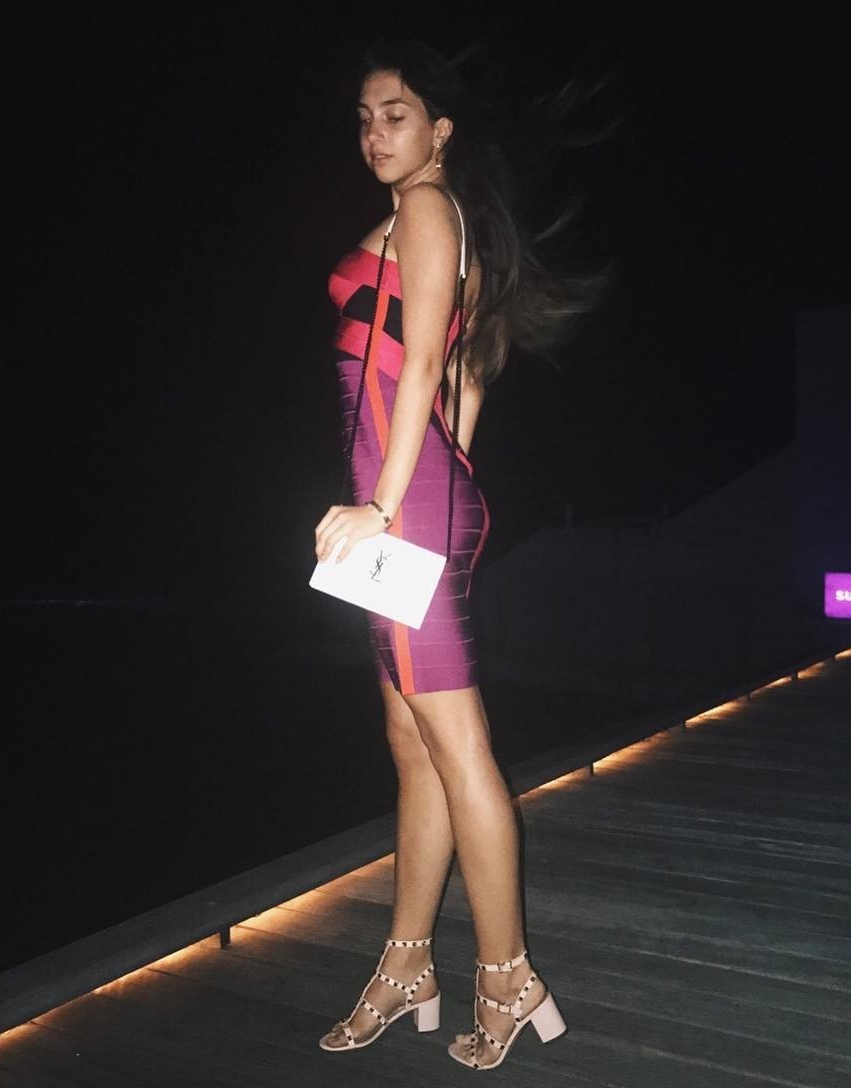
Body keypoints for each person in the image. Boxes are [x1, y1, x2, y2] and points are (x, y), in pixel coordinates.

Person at [313, 40, 600, 1069]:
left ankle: (508, 975)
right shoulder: (424, 217)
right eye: (363, 118)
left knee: (458, 744)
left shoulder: (430, 209)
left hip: (405, 508)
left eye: (394, 114)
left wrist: (387, 505)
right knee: (413, 742)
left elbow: (430, 354)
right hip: (422, 501)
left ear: (439, 130)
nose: (374, 134)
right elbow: (468, 371)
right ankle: (407, 966)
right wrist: (445, 474)